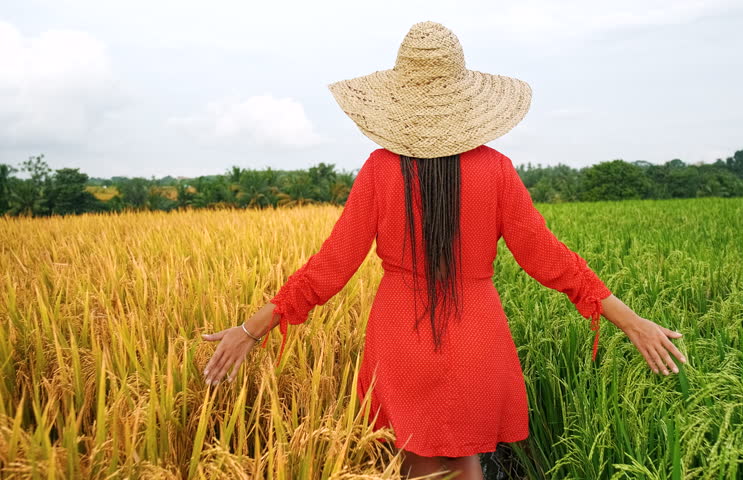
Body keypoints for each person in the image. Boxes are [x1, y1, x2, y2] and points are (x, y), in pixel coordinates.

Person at [200, 21, 687, 480]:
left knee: (418, 466)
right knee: (464, 464)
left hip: (400, 337)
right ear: (464, 99)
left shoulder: (379, 169)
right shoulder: (495, 170)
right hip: (476, 336)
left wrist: (252, 328)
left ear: (398, 98)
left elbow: (330, 267)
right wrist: (630, 320)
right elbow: (549, 257)